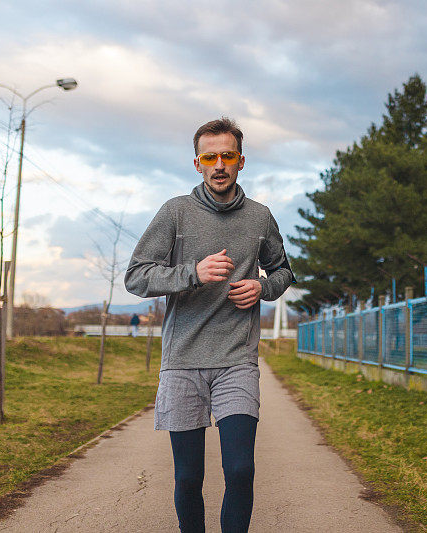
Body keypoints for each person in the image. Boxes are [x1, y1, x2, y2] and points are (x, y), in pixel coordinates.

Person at [124, 117, 293, 533]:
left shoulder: (260, 217)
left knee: (239, 470)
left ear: (241, 162)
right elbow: (136, 276)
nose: (220, 164)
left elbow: (283, 271)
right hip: (182, 362)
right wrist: (192, 273)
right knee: (188, 477)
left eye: (228, 156)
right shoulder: (175, 212)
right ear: (197, 163)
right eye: (210, 156)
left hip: (237, 360)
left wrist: (262, 287)